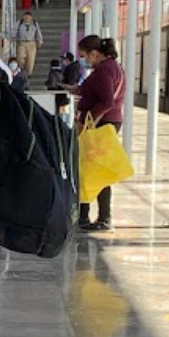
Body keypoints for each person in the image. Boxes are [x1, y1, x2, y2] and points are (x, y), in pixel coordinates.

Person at [73, 35, 125, 232]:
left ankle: (92, 216)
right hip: (109, 122)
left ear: (94, 53)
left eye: (85, 55)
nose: (84, 60)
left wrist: (88, 120)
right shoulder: (113, 67)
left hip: (100, 124)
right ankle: (98, 216)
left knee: (90, 170)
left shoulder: (104, 70)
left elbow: (106, 102)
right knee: (96, 169)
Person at [11, 11, 43, 78]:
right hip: (22, 42)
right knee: (20, 57)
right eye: (26, 17)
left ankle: (29, 74)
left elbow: (38, 33)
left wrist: (40, 41)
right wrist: (13, 37)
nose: (27, 18)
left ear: (31, 18)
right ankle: (21, 70)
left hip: (31, 43)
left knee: (31, 59)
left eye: (28, 17)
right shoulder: (19, 23)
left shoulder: (35, 23)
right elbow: (14, 30)